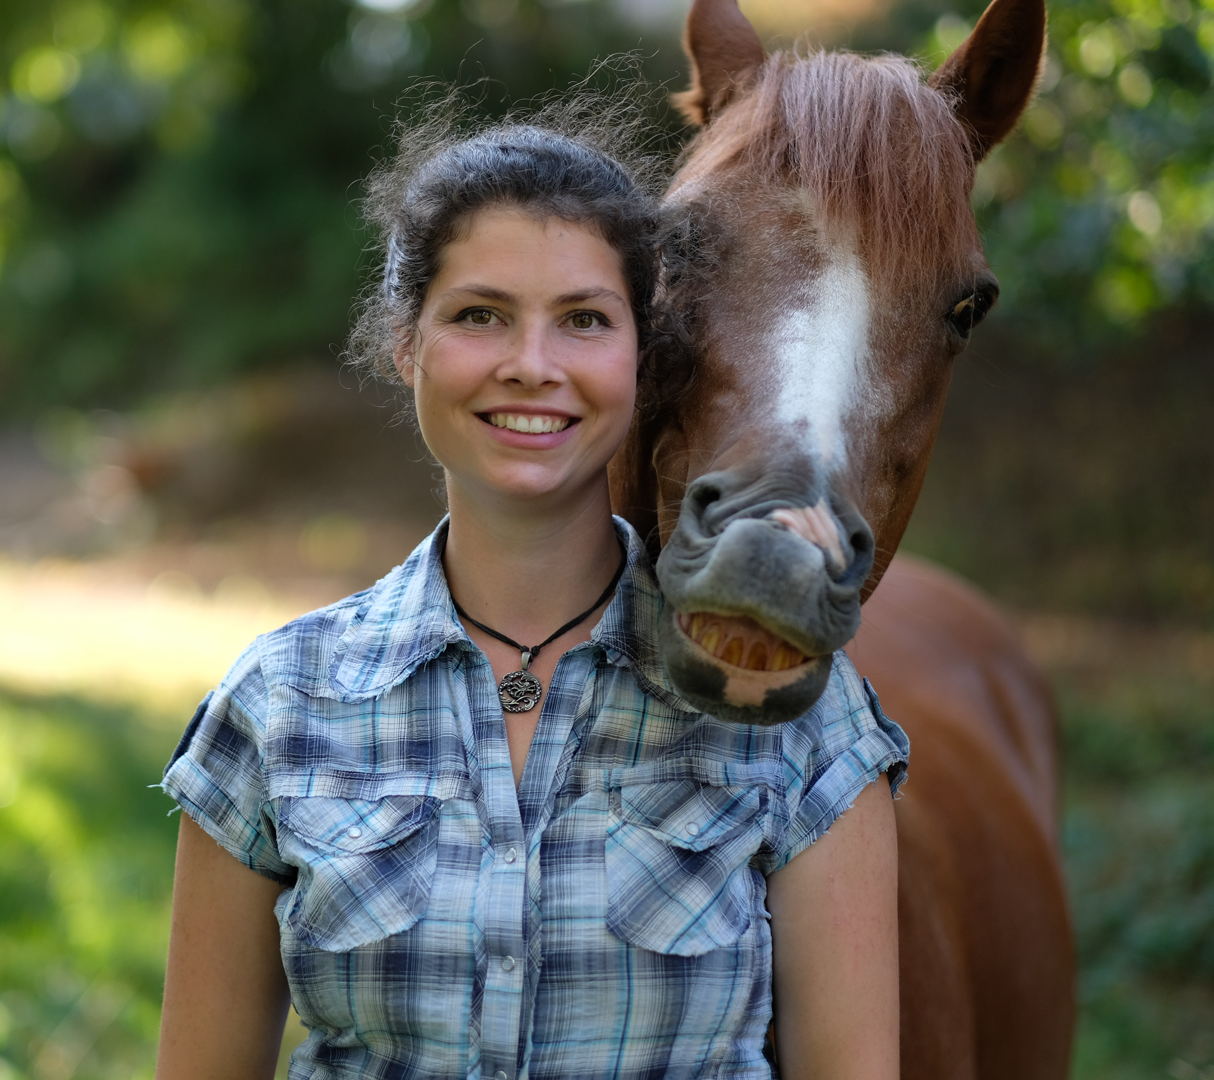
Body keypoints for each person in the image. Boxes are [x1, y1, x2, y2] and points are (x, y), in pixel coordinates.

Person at [155, 101, 908, 1080]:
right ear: (405, 343)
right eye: (480, 315)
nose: (532, 366)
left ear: (644, 355)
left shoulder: (796, 713)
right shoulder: (277, 705)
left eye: (585, 321)